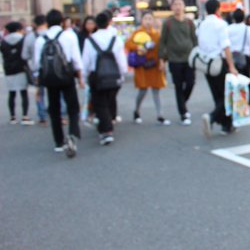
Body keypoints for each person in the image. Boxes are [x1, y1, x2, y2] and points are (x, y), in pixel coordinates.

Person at [33, 9, 85, 157]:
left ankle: (58, 142)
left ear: (47, 22)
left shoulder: (40, 39)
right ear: (62, 21)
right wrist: (80, 78)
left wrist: (38, 85)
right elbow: (76, 59)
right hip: (66, 76)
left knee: (54, 109)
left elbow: (37, 65)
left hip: (49, 79)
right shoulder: (69, 36)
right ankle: (72, 134)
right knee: (73, 107)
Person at [82, 12, 127, 145]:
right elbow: (121, 61)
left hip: (97, 76)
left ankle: (106, 130)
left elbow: (85, 62)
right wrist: (122, 74)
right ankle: (108, 123)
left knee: (100, 104)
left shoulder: (90, 40)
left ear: (96, 24)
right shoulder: (116, 39)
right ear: (109, 23)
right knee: (109, 100)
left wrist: (83, 76)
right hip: (114, 76)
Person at [197, 0, 239, 137]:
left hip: (206, 63)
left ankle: (226, 125)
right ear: (217, 9)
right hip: (219, 62)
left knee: (217, 95)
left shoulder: (201, 24)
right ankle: (212, 117)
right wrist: (231, 66)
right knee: (227, 94)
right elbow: (226, 46)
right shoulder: (220, 24)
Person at [125, 11, 169, 125]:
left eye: (150, 19)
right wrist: (138, 47)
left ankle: (160, 115)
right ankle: (137, 111)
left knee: (156, 90)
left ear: (153, 20)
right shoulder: (137, 33)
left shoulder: (157, 34)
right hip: (142, 66)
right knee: (142, 90)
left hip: (154, 66)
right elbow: (128, 44)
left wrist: (162, 61)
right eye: (146, 19)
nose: (148, 21)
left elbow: (161, 49)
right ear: (142, 20)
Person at [158, 0, 197, 125]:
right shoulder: (168, 23)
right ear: (172, 7)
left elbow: (194, 40)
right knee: (178, 86)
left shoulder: (189, 23)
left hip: (189, 59)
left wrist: (197, 55)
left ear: (184, 6)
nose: (178, 7)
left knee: (191, 83)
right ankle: (183, 113)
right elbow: (162, 42)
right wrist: (161, 59)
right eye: (175, 4)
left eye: (180, 4)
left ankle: (182, 103)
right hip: (174, 60)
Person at [227, 8, 250, 106]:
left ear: (233, 18)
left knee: (234, 80)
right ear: (243, 18)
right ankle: (249, 100)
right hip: (245, 57)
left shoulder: (228, 29)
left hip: (232, 57)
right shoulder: (247, 29)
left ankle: (235, 100)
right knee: (247, 79)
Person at [1, 21, 33, 125]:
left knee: (12, 93)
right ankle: (25, 116)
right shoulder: (23, 39)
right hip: (21, 68)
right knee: (24, 93)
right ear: (18, 29)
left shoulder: (3, 42)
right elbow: (26, 55)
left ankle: (12, 117)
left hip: (9, 70)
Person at [22, 15, 49, 125]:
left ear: (34, 24)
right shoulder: (53, 34)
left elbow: (24, 55)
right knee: (56, 92)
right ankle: (60, 114)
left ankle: (42, 116)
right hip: (54, 69)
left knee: (39, 93)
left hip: (37, 70)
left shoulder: (29, 37)